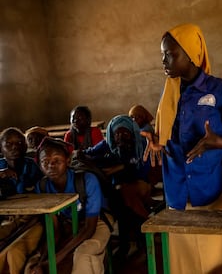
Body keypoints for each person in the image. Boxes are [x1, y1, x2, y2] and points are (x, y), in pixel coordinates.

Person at [142, 23, 222, 273]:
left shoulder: (218, 89)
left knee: (216, 259)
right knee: (183, 261)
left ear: (191, 53)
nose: (164, 60)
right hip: (178, 189)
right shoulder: (170, 93)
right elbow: (165, 133)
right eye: (162, 55)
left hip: (210, 187)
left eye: (170, 54)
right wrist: (154, 140)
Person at [28, 137, 111, 273]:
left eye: (57, 161)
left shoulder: (87, 180)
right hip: (68, 223)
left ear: (68, 160)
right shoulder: (42, 187)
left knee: (82, 255)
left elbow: (90, 228)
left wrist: (57, 258)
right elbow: (54, 229)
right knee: (35, 263)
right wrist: (44, 260)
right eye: (45, 162)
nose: (51, 166)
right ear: (39, 165)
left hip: (97, 221)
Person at [81, 115, 158, 258]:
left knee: (124, 195)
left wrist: (118, 167)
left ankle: (133, 240)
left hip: (141, 185)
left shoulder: (141, 143)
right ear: (112, 134)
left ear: (132, 132)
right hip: (119, 188)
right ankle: (137, 240)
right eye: (117, 134)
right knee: (121, 203)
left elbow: (142, 170)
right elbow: (86, 153)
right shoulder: (108, 144)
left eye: (125, 133)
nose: (120, 137)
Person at [0, 127, 44, 274]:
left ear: (26, 146)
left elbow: (42, 207)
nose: (14, 147)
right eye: (8, 144)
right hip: (6, 218)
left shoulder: (34, 167)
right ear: (1, 148)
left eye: (19, 143)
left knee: (14, 251)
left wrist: (11, 237)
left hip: (31, 220)